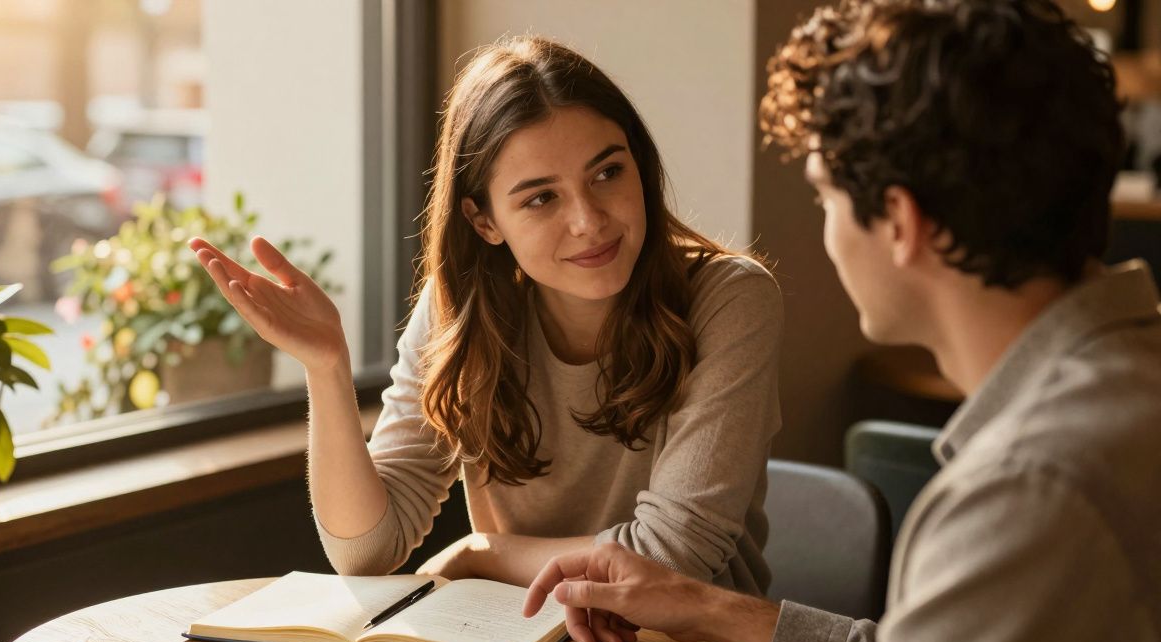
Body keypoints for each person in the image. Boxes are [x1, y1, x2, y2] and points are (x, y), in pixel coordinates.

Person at [524, 1, 1161, 642]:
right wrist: (707, 607)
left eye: (823, 194)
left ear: (900, 222)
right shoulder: (1124, 385)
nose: (823, 228)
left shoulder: (1034, 490)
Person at [188, 37, 783, 608]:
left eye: (607, 173)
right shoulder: (463, 308)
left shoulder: (729, 299)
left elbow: (671, 561)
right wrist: (326, 367)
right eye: (540, 198)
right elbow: (367, 549)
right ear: (484, 221)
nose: (588, 220)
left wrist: (483, 554)